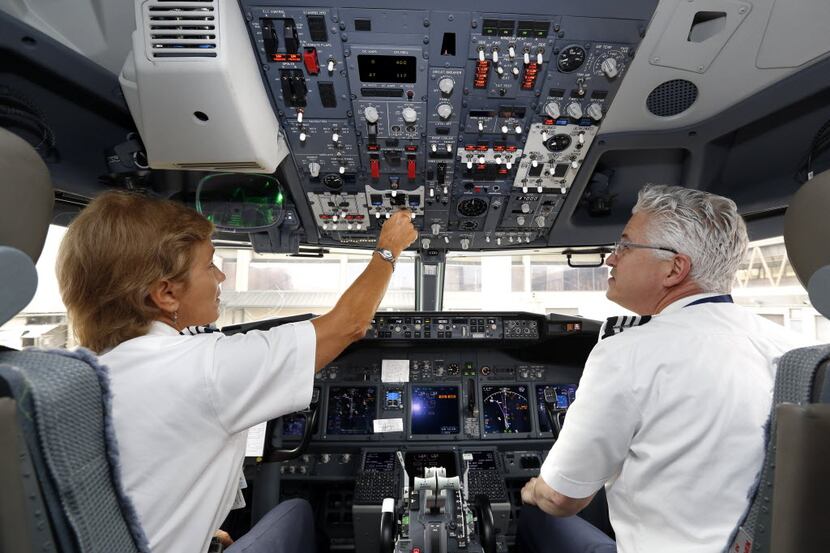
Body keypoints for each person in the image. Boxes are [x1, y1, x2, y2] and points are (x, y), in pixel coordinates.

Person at [56, 191, 417, 553]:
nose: (222, 275)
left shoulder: (76, 376)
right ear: (166, 294)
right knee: (298, 513)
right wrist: (388, 250)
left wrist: (200, 534)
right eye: (209, 264)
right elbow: (349, 325)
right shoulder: (205, 366)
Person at [517, 185, 811, 553]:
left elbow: (562, 499)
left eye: (625, 245)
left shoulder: (628, 352)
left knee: (535, 513)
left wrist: (532, 489)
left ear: (675, 268)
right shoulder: (796, 351)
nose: (612, 258)